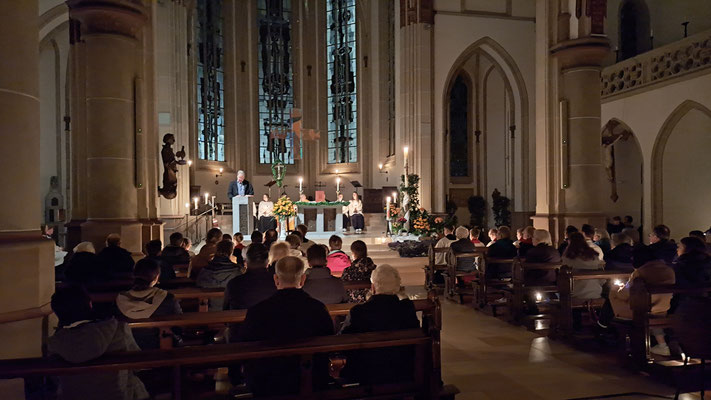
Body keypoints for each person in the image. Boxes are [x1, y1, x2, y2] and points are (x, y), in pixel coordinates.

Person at [237, 256, 335, 396]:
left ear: (276, 279)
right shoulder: (318, 309)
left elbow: (244, 345)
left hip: (267, 382)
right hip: (312, 380)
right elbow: (328, 341)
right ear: (302, 280)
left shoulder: (257, 311)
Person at [48, 285, 149, 400]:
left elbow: (55, 378)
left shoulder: (55, 343)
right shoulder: (117, 329)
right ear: (89, 304)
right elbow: (137, 364)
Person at [340, 264, 420, 384]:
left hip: (365, 372)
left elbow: (343, 341)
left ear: (373, 288)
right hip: (402, 370)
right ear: (397, 288)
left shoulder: (359, 311)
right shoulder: (406, 308)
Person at [600, 246, 675, 355]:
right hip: (662, 308)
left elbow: (626, 295)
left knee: (612, 295)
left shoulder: (641, 272)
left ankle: (605, 327)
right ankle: (662, 345)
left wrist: (618, 289)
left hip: (640, 310)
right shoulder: (669, 270)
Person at [115, 259, 182, 349]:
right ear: (156, 277)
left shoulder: (120, 298)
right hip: (160, 344)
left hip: (127, 344)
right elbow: (178, 322)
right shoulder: (167, 298)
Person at [224, 244, 277, 342]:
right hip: (271, 334)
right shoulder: (277, 282)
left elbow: (226, 310)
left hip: (241, 335)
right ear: (267, 262)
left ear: (246, 262)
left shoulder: (234, 283)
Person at [196, 240, 245, 310]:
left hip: (209, 308)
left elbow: (198, 284)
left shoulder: (205, 270)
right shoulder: (237, 271)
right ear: (231, 252)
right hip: (231, 309)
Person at [562, 232, 605, 301]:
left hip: (576, 293)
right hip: (595, 291)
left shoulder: (568, 257)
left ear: (570, 242)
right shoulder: (594, 256)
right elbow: (602, 278)